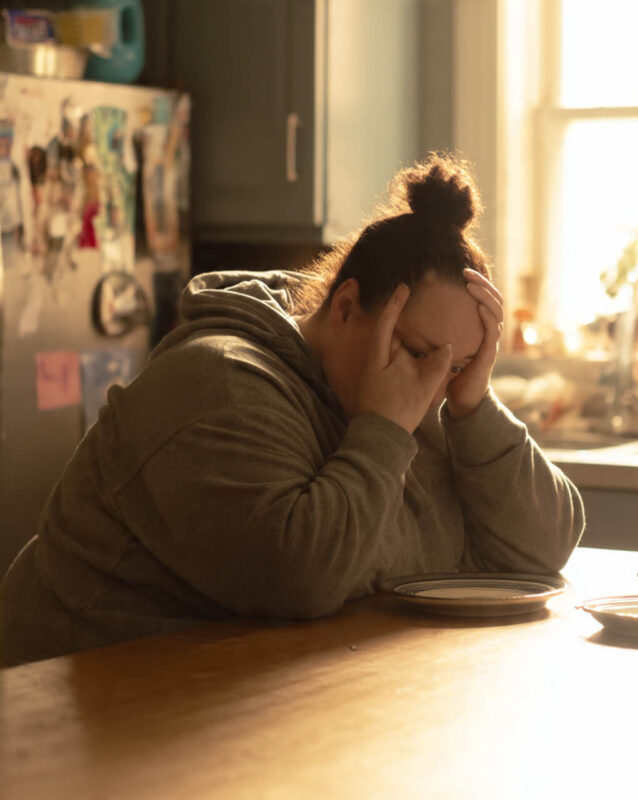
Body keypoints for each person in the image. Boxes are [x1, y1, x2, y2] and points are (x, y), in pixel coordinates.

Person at [0, 153, 584, 667]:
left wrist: (474, 405)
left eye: (457, 366)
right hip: (67, 720)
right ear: (348, 307)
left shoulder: (418, 393)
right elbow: (301, 580)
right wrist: (381, 432)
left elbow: (541, 549)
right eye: (422, 353)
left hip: (242, 703)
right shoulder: (217, 384)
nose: (434, 388)